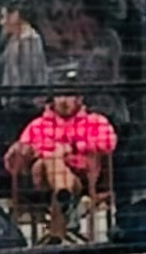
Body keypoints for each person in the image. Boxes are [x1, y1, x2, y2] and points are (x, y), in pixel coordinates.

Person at [9, 76, 118, 242]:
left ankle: (56, 231)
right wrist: (54, 150)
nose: (63, 101)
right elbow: (23, 149)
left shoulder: (95, 121)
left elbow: (109, 143)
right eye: (59, 96)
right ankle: (65, 198)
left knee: (56, 170)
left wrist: (73, 148)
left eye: (69, 95)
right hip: (41, 180)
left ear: (79, 99)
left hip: (80, 180)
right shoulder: (37, 124)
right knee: (51, 158)